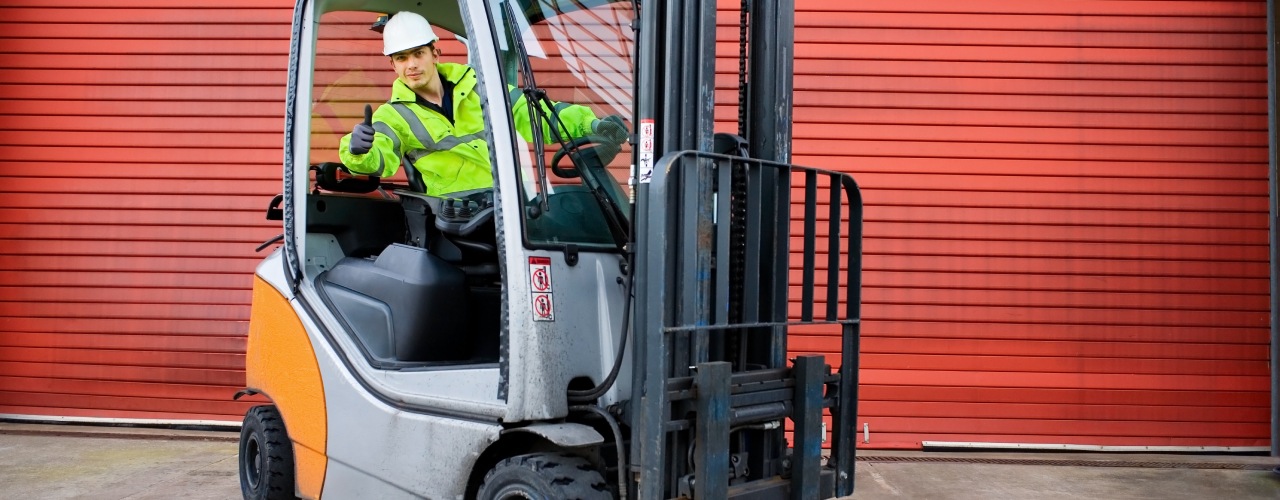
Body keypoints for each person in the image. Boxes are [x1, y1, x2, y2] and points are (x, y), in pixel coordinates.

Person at [339, 11, 628, 197]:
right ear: (392, 64)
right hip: (457, 218)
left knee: (575, 209)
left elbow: (536, 113)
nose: (411, 65)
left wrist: (592, 124)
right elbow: (379, 158)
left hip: (516, 207)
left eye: (417, 54)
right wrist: (358, 151)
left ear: (435, 53)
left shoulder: (481, 86)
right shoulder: (392, 116)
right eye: (401, 58)